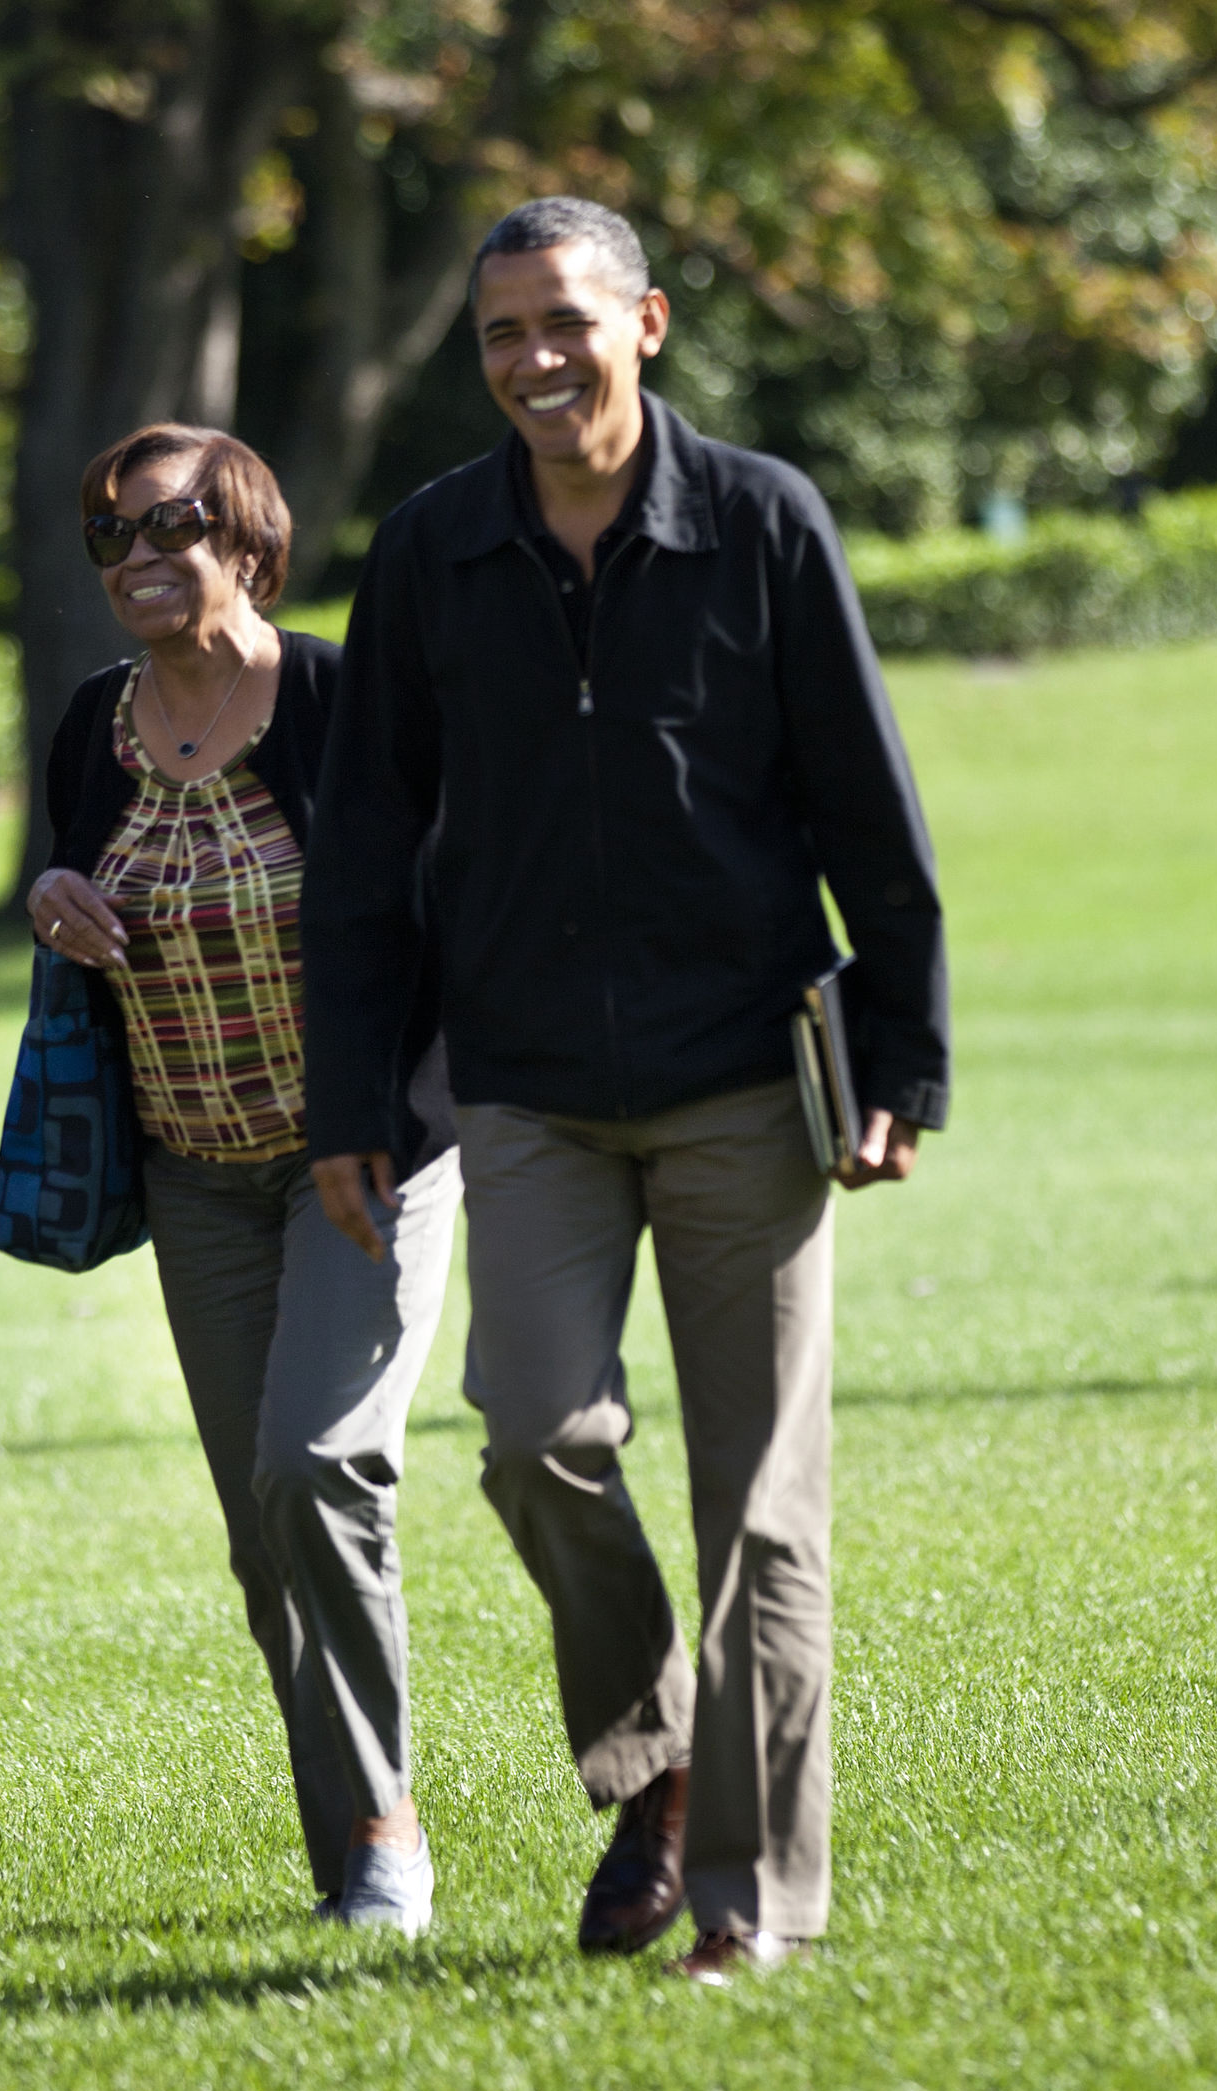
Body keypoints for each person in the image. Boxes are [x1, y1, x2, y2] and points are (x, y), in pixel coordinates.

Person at [303, 200, 951, 1984]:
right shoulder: (432, 552)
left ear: (646, 324)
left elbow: (867, 811)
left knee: (762, 1510)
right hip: (519, 1093)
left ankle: (752, 1900)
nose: (534, 360)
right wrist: (351, 1089)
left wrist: (906, 1056)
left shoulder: (759, 523)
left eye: (566, 323)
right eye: (502, 331)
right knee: (534, 1439)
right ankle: (657, 1751)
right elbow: (364, 850)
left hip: (748, 1078)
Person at [29, 424, 460, 1933]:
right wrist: (51, 896)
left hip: (359, 1156)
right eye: (112, 536)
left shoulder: (340, 696)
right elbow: (72, 877)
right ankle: (350, 1852)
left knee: (317, 1467)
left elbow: (440, 908)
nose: (140, 556)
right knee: (258, 1524)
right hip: (195, 1172)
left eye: (174, 527)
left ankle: (388, 1835)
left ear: (252, 545)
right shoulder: (95, 724)